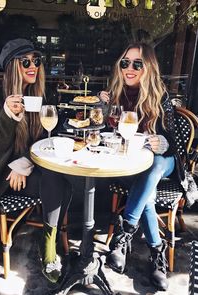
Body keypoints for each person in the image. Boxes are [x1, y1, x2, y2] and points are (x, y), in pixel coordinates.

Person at [0, 38, 71, 283]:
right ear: (10, 67)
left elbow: (48, 138)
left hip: (31, 170)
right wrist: (9, 115)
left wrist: (24, 164)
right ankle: (48, 242)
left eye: (36, 60)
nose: (33, 66)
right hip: (2, 174)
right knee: (57, 182)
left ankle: (48, 248)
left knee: (57, 177)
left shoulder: (43, 95)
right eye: (25, 61)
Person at [99, 42, 182, 291]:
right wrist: (101, 109)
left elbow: (176, 142)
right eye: (125, 63)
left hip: (163, 162)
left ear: (149, 67)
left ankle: (124, 236)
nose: (130, 68)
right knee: (145, 190)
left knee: (153, 165)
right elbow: (104, 135)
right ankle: (157, 254)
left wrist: (163, 141)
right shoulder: (114, 94)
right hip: (132, 166)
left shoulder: (161, 97)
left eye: (137, 63)